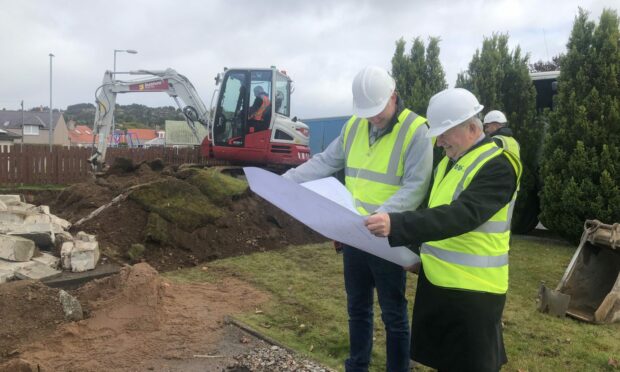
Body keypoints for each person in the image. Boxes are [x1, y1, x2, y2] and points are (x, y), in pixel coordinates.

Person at [282, 66, 433, 372]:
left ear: (394, 96)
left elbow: (416, 186)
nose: (373, 118)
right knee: (357, 308)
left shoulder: (416, 130)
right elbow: (326, 161)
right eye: (368, 112)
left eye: (378, 110)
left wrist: (382, 216)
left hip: (387, 237)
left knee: (393, 314)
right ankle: (357, 366)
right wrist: (289, 180)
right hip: (354, 234)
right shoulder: (354, 126)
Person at [365, 88, 522, 372]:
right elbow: (433, 214)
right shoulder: (452, 163)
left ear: (472, 128)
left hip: (475, 294)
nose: (438, 142)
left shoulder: (498, 166)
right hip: (441, 286)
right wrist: (413, 253)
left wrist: (397, 224)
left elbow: (461, 216)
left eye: (444, 133)